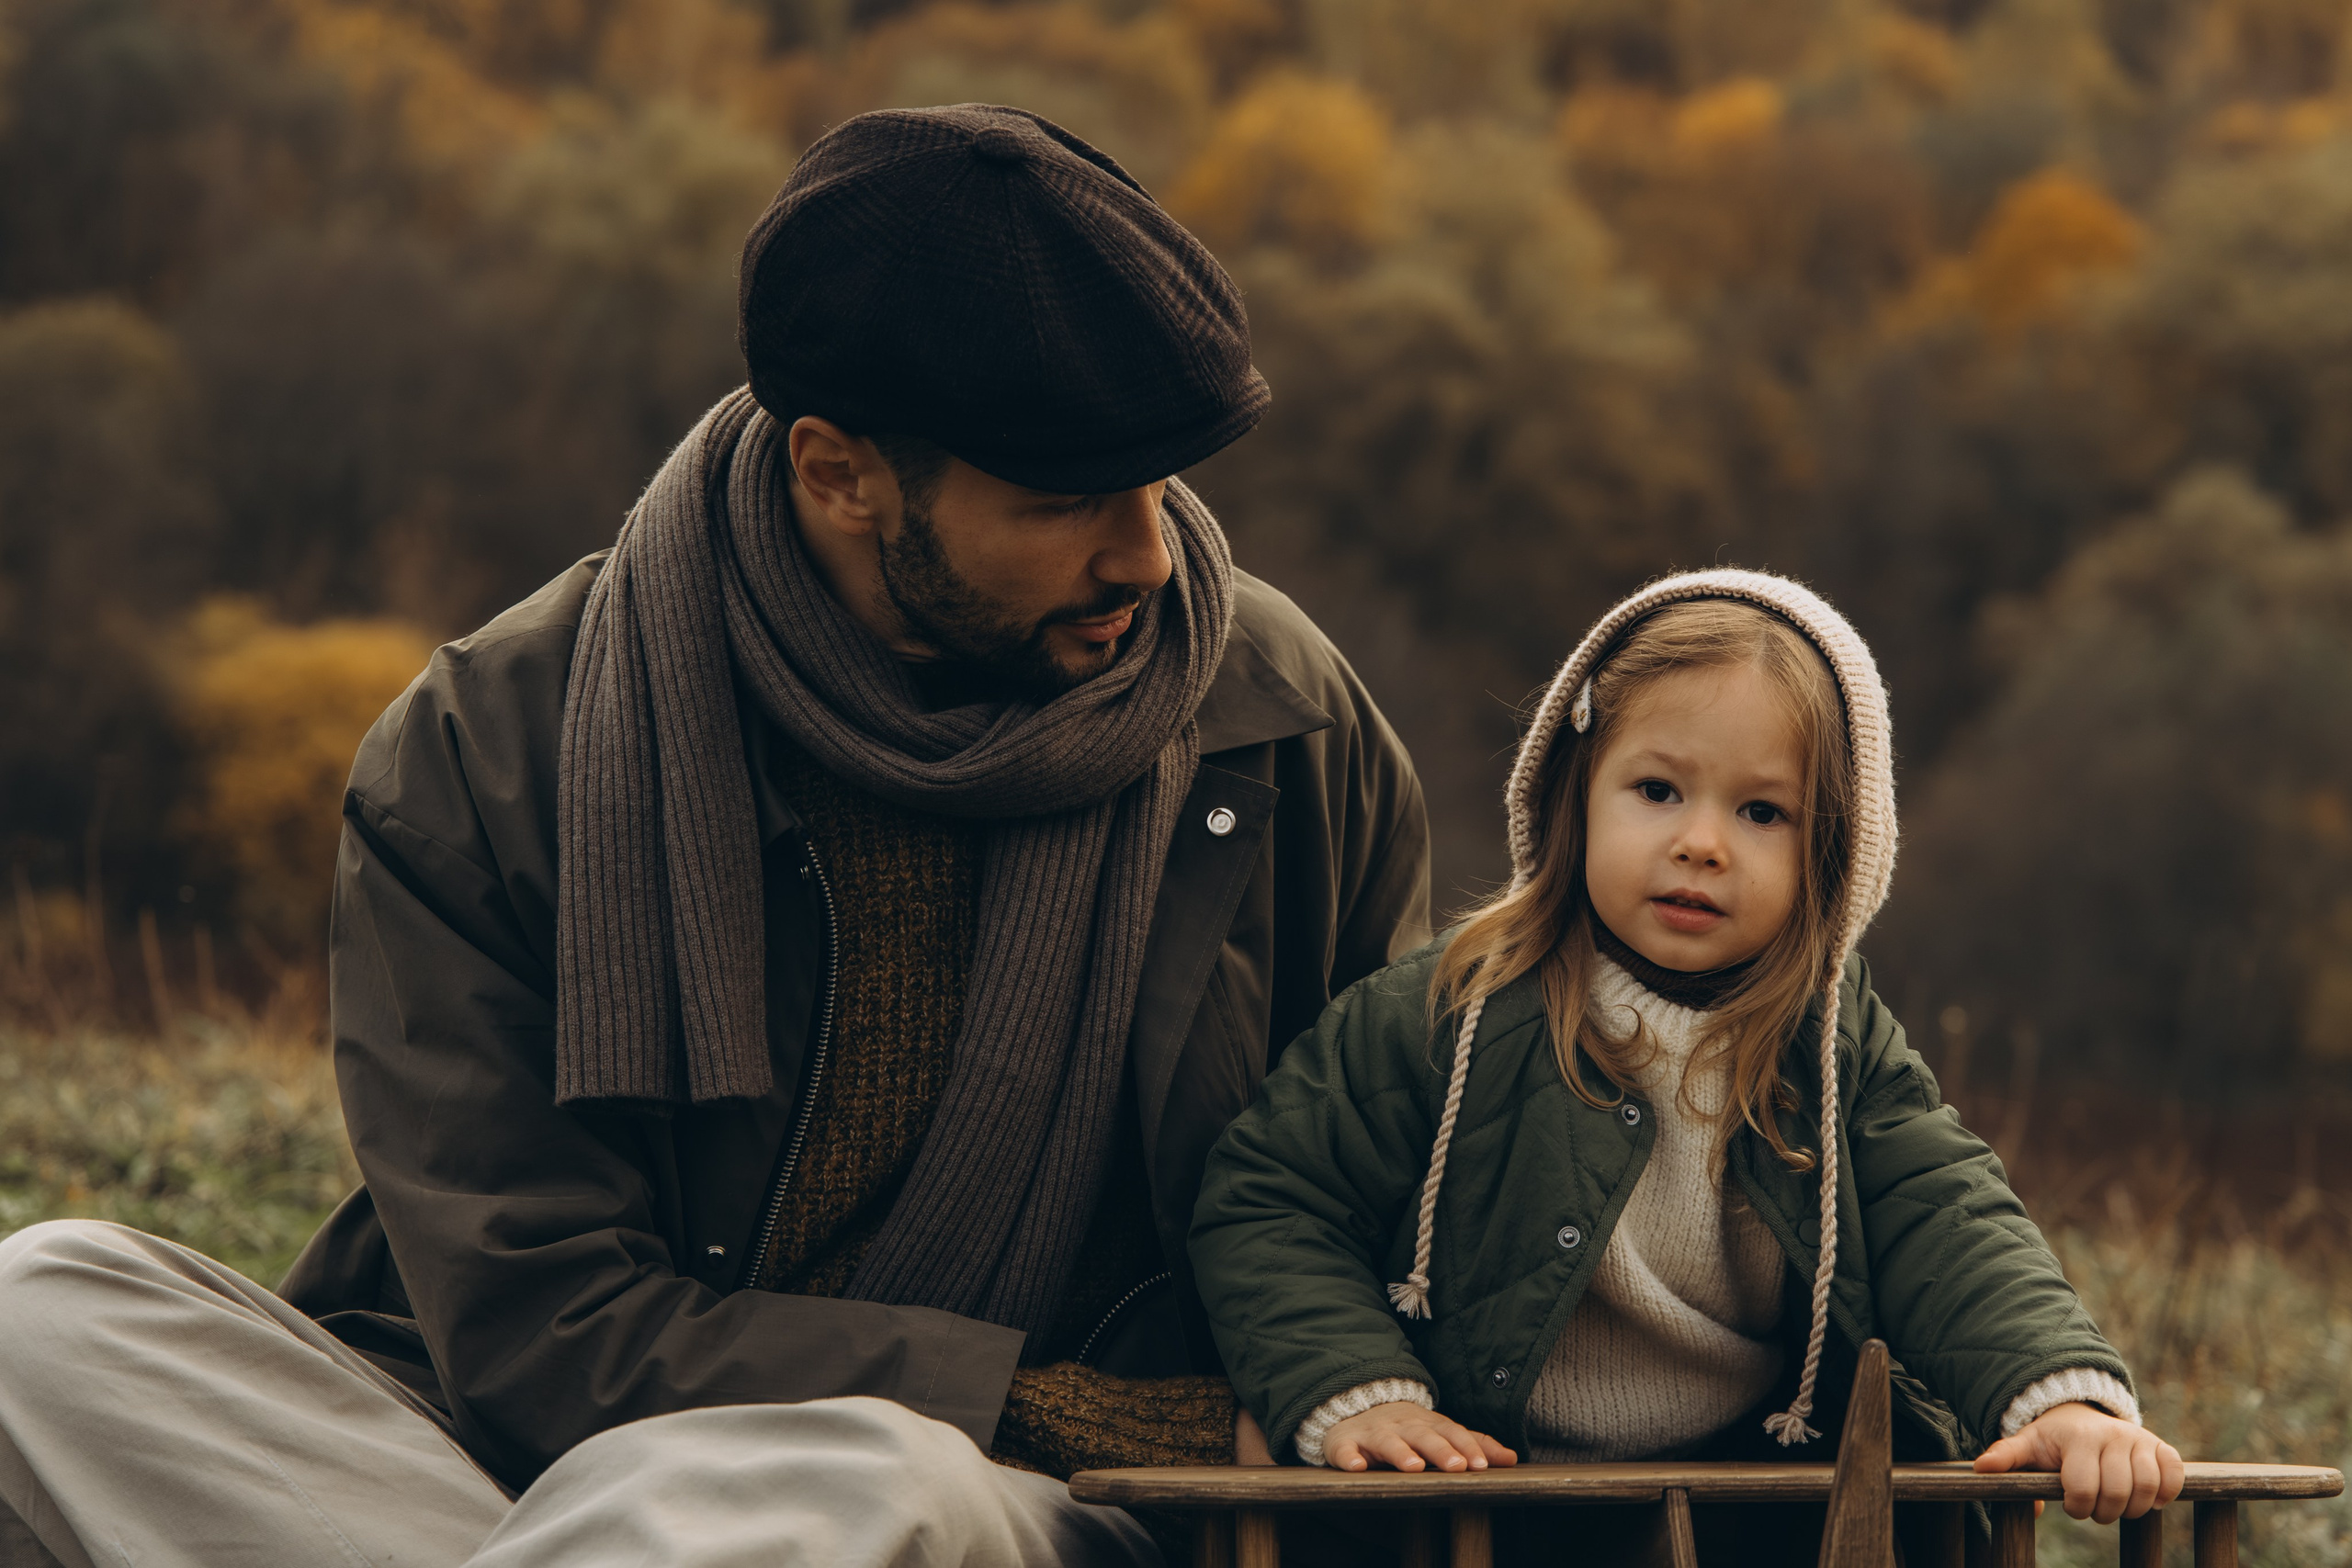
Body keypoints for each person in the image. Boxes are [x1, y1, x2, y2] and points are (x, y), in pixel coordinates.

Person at [0, 105, 1430, 1567]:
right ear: (839, 471)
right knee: (37, 1311)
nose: (1146, 551)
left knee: (851, 1479)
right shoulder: (489, 747)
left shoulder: (1282, 722)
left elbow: (1400, 1206)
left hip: (1018, 1505)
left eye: (1162, 481)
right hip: (508, 1471)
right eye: (1064, 500)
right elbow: (536, 1322)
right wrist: (1044, 1396)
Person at [1188, 570, 2186, 1564]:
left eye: (1763, 813)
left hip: (1754, 1499)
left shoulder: (1833, 1044)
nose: (1700, 844)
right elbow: (1275, 1198)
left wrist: (2061, 1392)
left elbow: (1948, 1222)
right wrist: (1356, 1389)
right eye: (1656, 791)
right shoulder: (1445, 1009)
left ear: (1828, 852)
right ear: (1576, 797)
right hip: (1483, 1490)